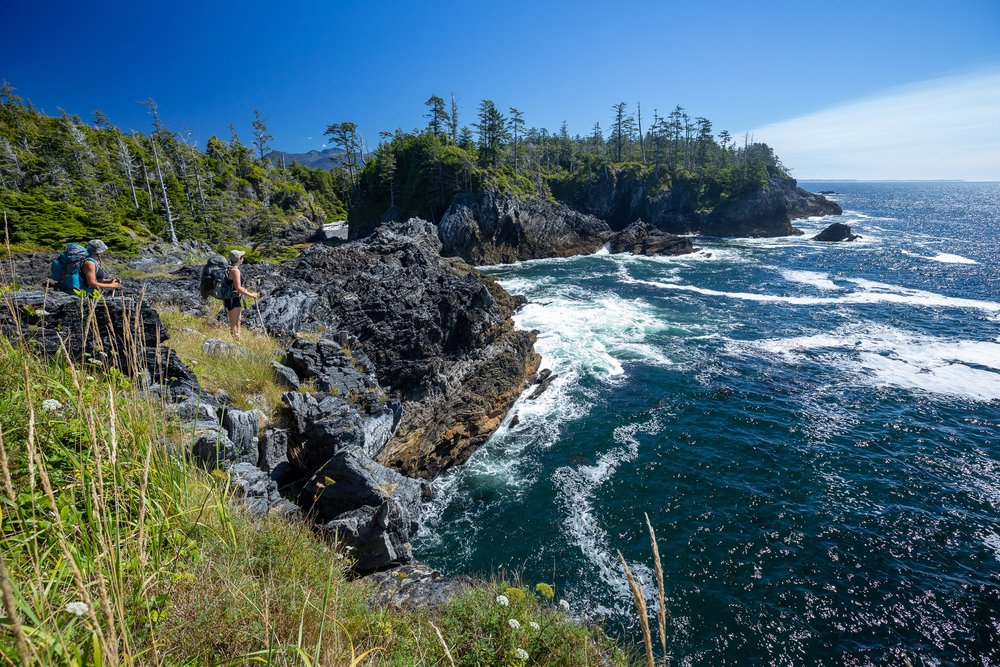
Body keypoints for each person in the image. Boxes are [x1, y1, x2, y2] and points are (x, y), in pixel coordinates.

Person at [224, 249, 259, 339]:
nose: (243, 258)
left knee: (237, 322)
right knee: (234, 324)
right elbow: (238, 288)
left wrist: (244, 290)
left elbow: (235, 286)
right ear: (239, 258)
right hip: (233, 299)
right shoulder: (235, 271)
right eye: (242, 257)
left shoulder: (231, 268)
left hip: (232, 298)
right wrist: (252, 295)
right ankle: (235, 341)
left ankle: (238, 339)